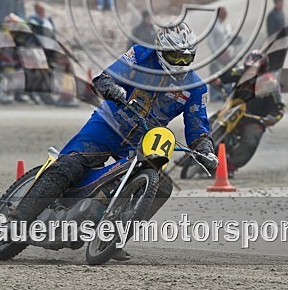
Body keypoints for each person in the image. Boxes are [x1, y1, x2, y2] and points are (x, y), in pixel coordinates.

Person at [13, 22, 219, 260]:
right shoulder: (140, 55)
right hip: (108, 124)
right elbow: (104, 78)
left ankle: (114, 238)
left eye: (187, 58)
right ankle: (19, 220)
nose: (181, 64)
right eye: (176, 57)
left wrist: (206, 151)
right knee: (68, 166)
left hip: (143, 140)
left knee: (162, 186)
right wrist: (112, 88)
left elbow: (198, 127)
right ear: (161, 51)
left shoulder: (196, 87)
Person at [213, 50, 285, 177]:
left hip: (253, 118)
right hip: (231, 110)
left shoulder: (271, 84)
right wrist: (216, 80)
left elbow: (279, 109)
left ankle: (230, 165)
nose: (250, 73)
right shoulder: (240, 72)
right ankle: (197, 150)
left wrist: (271, 119)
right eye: (248, 69)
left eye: (254, 70)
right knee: (206, 122)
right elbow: (223, 75)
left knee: (252, 139)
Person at [207, 6, 235, 101]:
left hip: (228, 54)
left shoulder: (225, 24)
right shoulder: (214, 25)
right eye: (223, 12)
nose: (225, 14)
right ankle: (215, 96)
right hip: (218, 55)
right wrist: (217, 53)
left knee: (229, 73)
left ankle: (228, 93)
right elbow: (210, 41)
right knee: (216, 74)